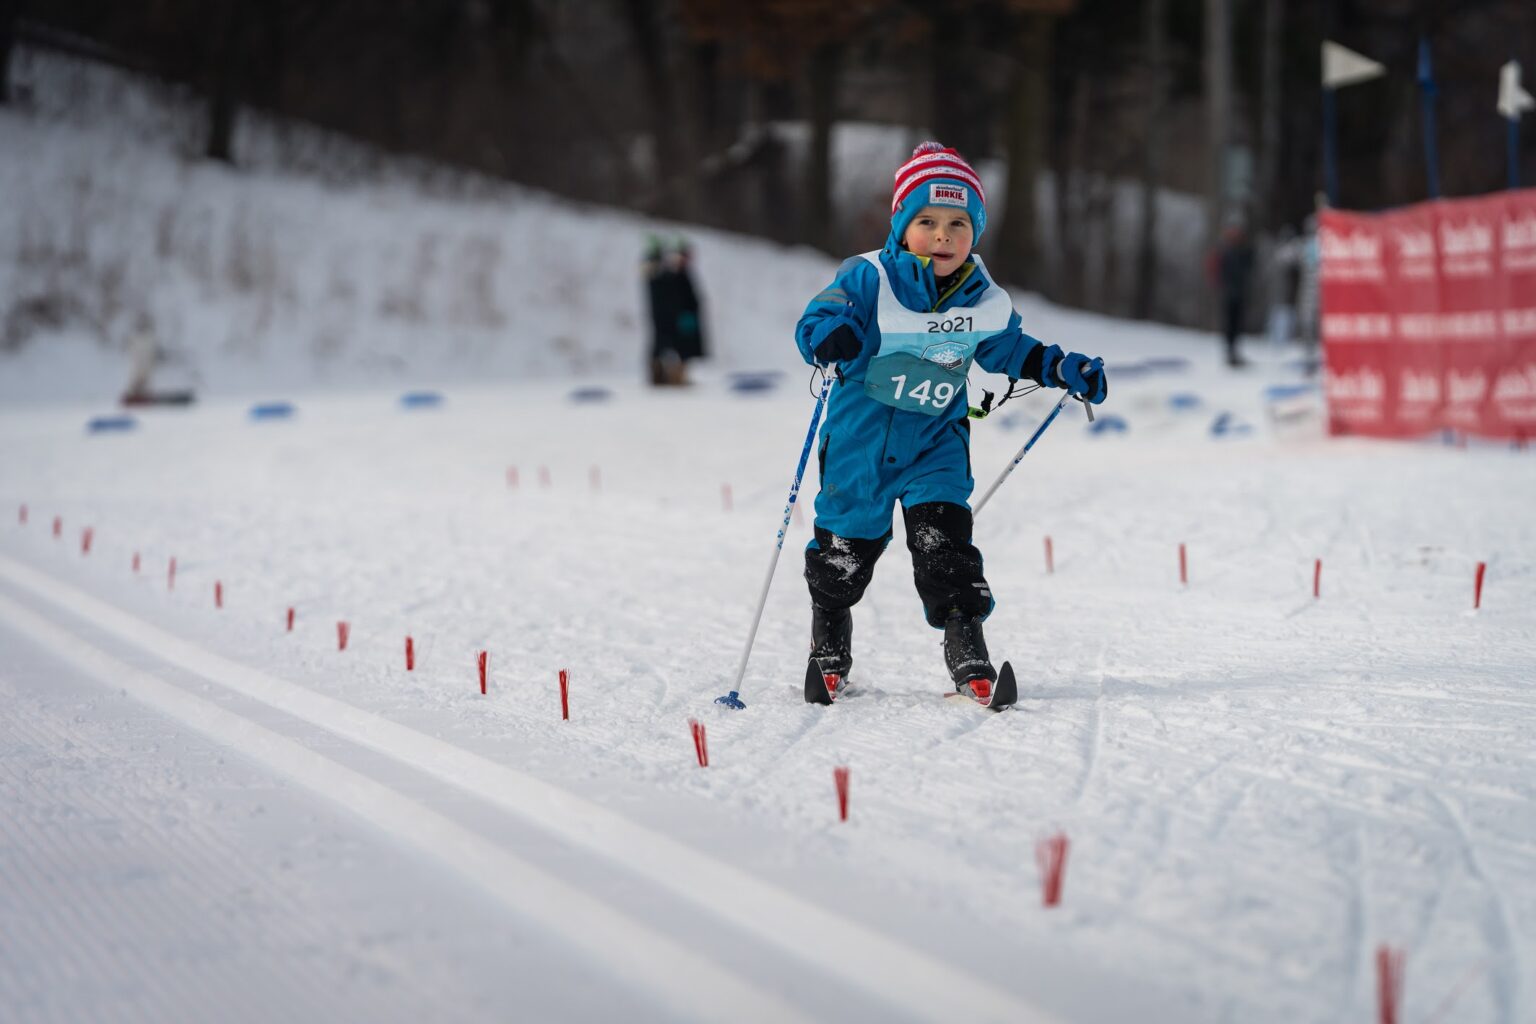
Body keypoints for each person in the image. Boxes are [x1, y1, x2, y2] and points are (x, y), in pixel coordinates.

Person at [793, 141, 1108, 708]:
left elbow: (1009, 348)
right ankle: (829, 636)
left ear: (975, 233)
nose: (943, 236)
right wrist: (826, 335)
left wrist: (1062, 366)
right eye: (928, 221)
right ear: (902, 226)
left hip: (935, 445)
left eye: (959, 224)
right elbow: (820, 314)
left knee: (946, 547)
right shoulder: (868, 278)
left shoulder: (982, 296)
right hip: (860, 445)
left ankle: (968, 649)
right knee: (845, 556)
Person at [1211, 216, 1255, 367]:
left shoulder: (1244, 249)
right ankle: (1229, 352)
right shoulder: (1224, 249)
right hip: (1229, 291)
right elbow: (1218, 270)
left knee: (1238, 323)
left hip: (1240, 291)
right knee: (1229, 323)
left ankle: (1235, 351)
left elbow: (1249, 266)